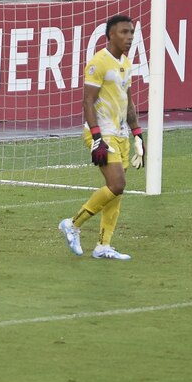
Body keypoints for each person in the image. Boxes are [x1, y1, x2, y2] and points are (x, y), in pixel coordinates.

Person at [59, 14, 145, 261]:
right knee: (117, 184)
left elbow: (127, 100)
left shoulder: (126, 63)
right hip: (101, 133)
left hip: (120, 134)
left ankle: (103, 246)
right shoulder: (99, 62)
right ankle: (73, 224)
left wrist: (137, 132)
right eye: (123, 33)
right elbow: (87, 100)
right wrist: (96, 137)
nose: (128, 37)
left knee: (116, 191)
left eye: (130, 32)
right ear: (110, 35)